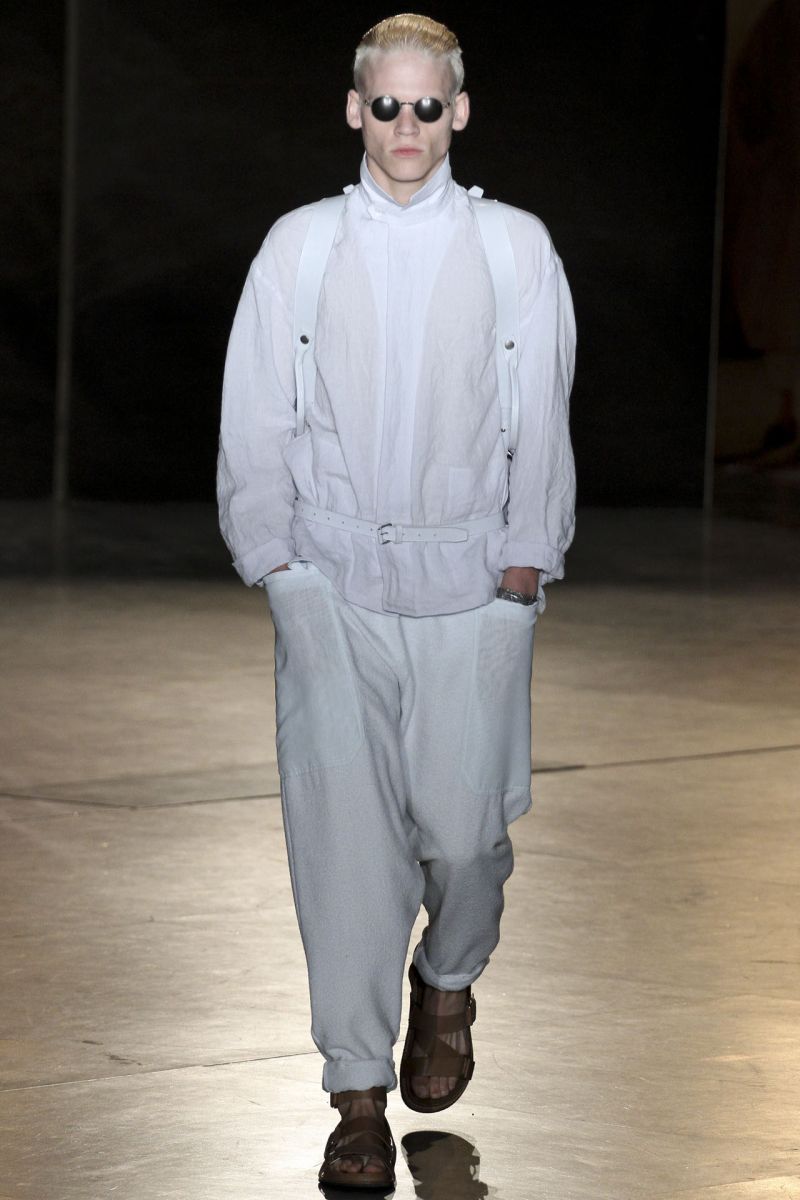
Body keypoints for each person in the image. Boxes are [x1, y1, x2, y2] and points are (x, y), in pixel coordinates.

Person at [217, 13, 576, 1191]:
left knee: (468, 840)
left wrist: (523, 565)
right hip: (332, 587)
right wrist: (277, 566)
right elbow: (257, 412)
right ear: (354, 110)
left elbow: (539, 413)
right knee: (344, 850)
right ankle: (355, 1097)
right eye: (386, 106)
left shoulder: (513, 248)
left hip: (471, 589)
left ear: (457, 112)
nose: (406, 125)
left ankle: (446, 980)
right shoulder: (301, 245)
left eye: (427, 106)